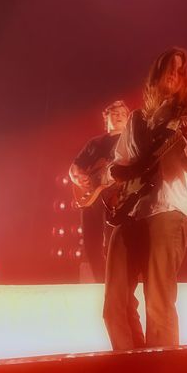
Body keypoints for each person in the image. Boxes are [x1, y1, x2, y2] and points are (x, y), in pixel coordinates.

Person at [103, 47, 187, 350]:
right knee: (114, 306)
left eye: (180, 71)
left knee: (158, 305)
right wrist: (120, 175)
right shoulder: (135, 120)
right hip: (132, 212)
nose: (174, 75)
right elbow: (118, 164)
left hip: (168, 209)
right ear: (156, 74)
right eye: (169, 69)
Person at [69, 100, 129, 282]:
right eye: (114, 113)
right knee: (91, 243)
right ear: (106, 118)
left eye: (122, 114)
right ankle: (100, 283)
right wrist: (79, 178)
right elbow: (74, 167)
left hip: (117, 198)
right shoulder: (95, 143)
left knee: (114, 244)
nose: (118, 116)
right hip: (91, 199)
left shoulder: (130, 140)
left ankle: (117, 284)